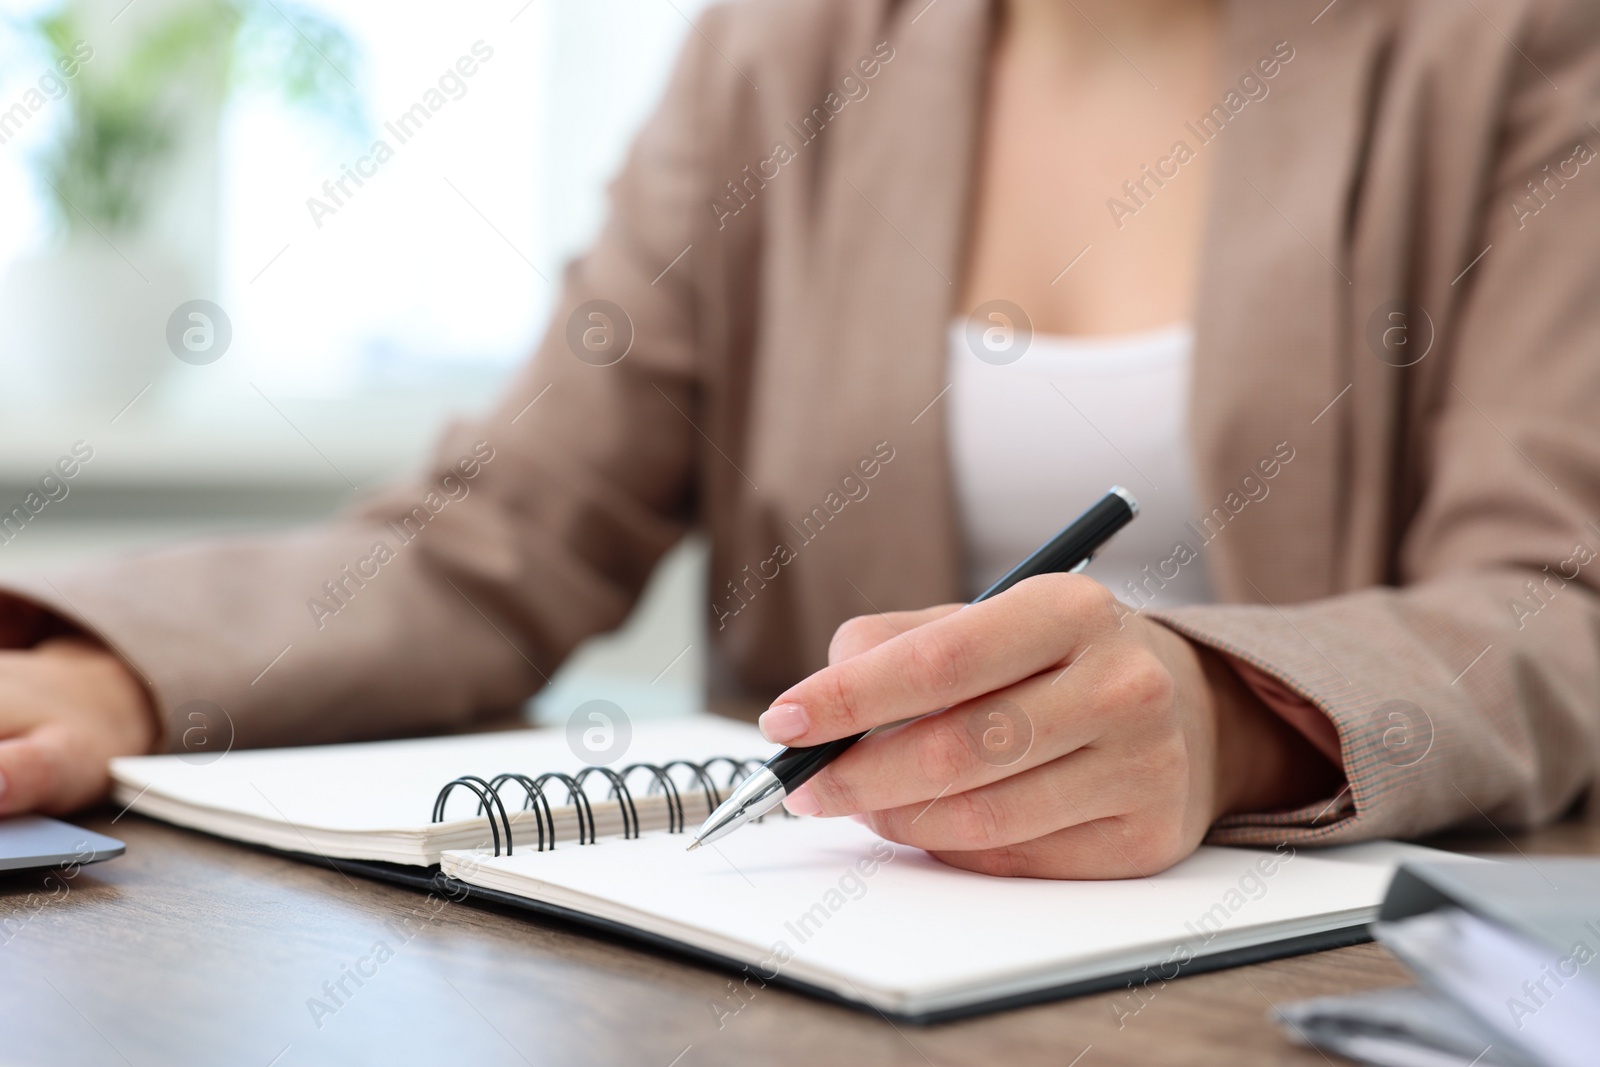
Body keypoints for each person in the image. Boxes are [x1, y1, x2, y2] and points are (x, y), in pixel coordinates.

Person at [2, 0, 1598, 879]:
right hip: (812, 960)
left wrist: (1233, 716)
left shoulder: (1524, 47)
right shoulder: (784, 51)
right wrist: (107, 676)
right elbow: (502, 529)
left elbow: (1549, 602)